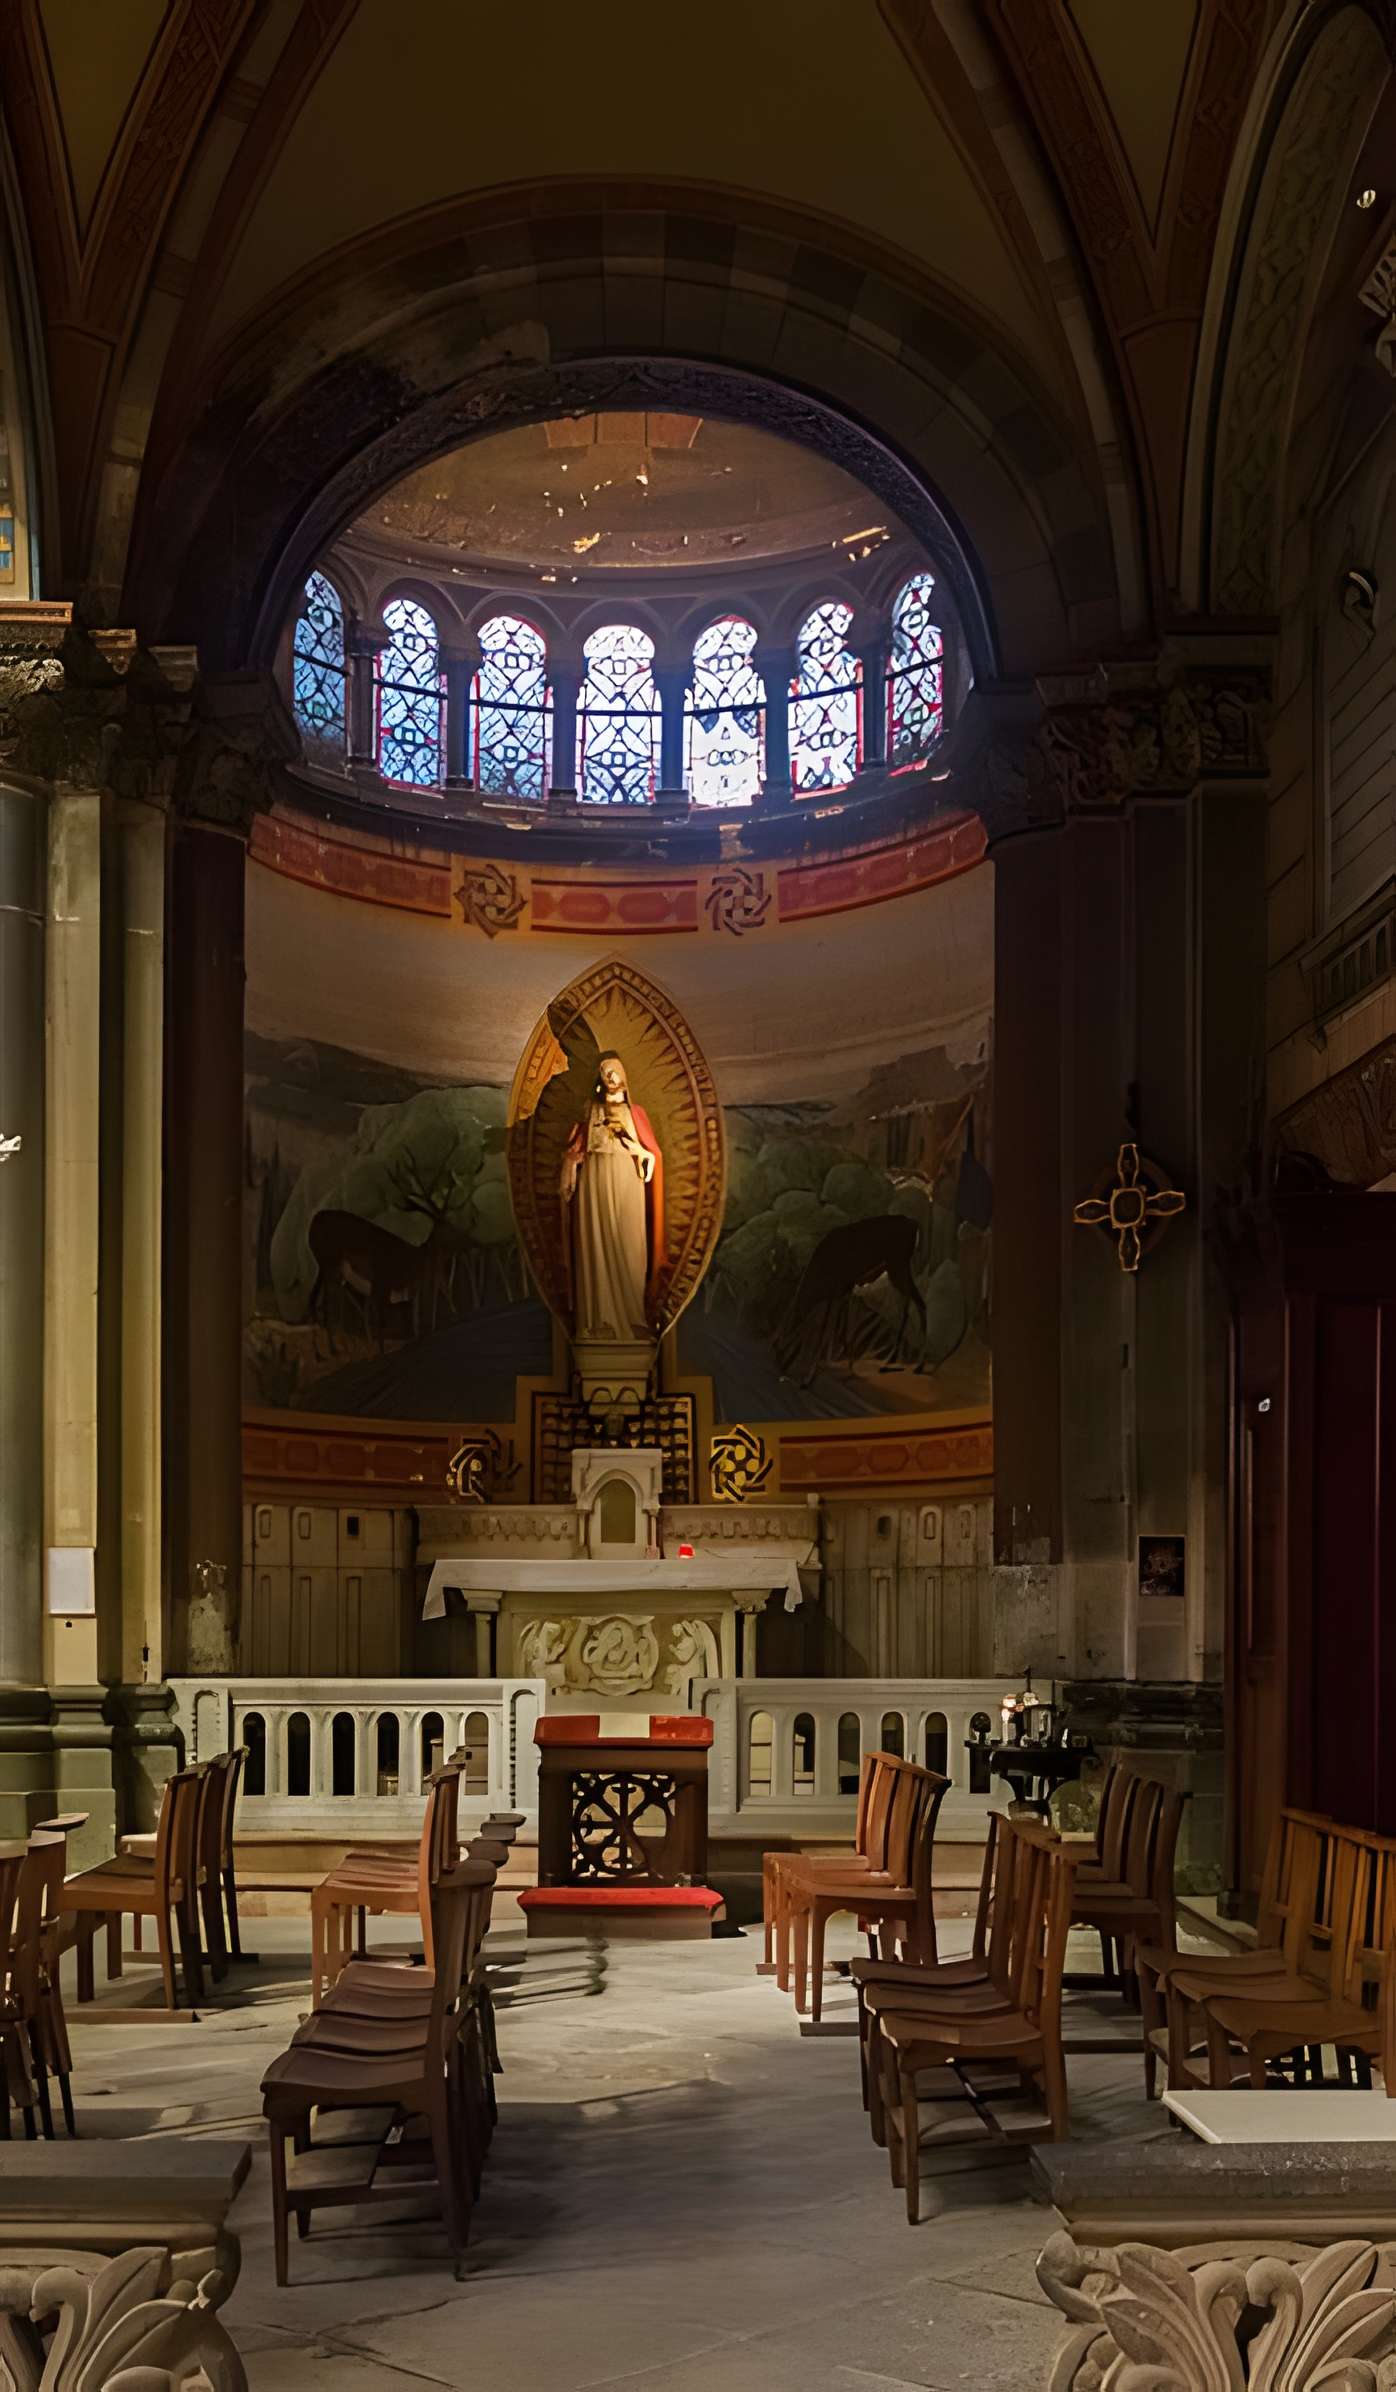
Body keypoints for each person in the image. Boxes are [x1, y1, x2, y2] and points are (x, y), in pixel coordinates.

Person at [560, 1052, 664, 1340]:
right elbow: (575, 1150)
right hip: (595, 1179)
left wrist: (646, 1157)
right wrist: (569, 1167)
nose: (610, 1077)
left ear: (624, 1076)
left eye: (614, 1071)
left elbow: (650, 1152)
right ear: (599, 1078)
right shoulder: (589, 1112)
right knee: (596, 1243)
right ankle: (598, 1318)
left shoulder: (635, 1113)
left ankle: (633, 1316)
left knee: (630, 1246)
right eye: (605, 1071)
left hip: (627, 1181)